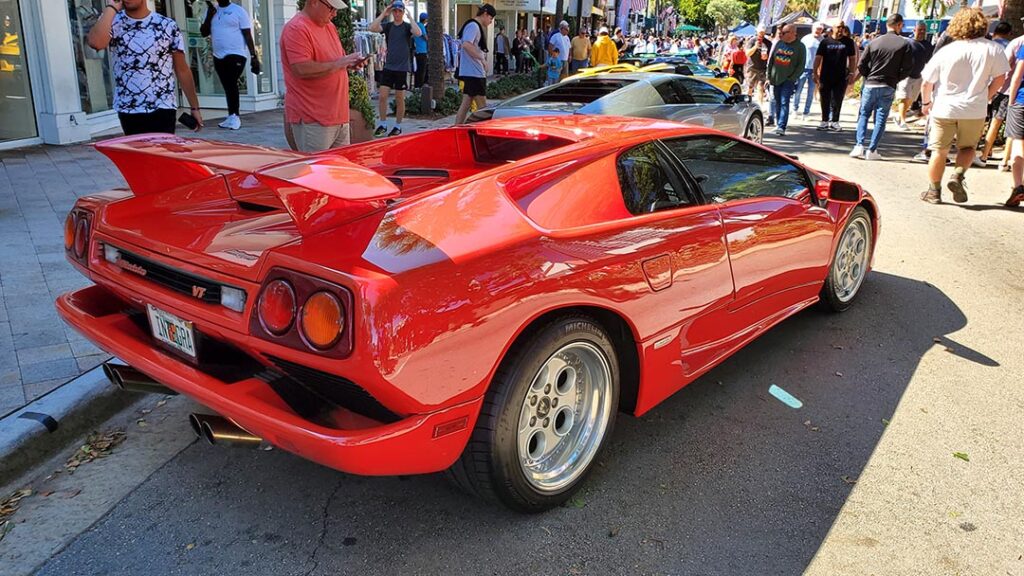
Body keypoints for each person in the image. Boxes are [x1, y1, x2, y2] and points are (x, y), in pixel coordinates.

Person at [919, 8, 1009, 203]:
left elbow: (927, 82)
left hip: (945, 106)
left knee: (939, 151)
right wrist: (987, 96)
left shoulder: (947, 50)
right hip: (974, 108)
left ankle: (934, 191)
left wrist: (926, 103)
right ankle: (957, 175)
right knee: (968, 147)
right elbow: (1001, 78)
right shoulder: (993, 49)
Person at [86, 0, 203, 135]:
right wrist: (111, 8)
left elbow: (182, 69)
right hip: (129, 108)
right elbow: (95, 43)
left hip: (162, 106)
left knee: (160, 154)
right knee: (137, 155)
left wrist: (194, 107)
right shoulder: (114, 22)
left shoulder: (167, 25)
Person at [279, 0, 365, 151]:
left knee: (338, 171)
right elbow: (301, 68)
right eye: (331, 8)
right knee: (316, 171)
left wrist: (349, 63)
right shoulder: (297, 28)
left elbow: (334, 61)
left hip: (338, 116)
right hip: (313, 118)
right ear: (313, 2)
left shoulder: (329, 26)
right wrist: (339, 63)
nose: (335, 13)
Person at [849, 13, 912, 161]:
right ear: (899, 25)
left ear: (886, 24)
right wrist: (897, 78)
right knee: (881, 118)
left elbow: (861, 64)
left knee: (864, 114)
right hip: (888, 84)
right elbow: (908, 67)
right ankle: (872, 149)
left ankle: (859, 145)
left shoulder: (874, 42)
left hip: (871, 83)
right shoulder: (904, 44)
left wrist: (867, 76)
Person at [199, 0, 259, 131]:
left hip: (236, 53)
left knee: (231, 82)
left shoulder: (238, 11)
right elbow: (204, 32)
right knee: (227, 84)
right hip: (218, 55)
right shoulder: (211, 11)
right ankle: (231, 115)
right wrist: (209, 16)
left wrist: (254, 56)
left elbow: (247, 34)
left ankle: (235, 116)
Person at [369, 1, 421, 137]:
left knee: (399, 99)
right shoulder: (389, 26)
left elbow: (418, 32)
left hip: (402, 68)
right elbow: (372, 28)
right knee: (382, 97)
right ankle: (383, 124)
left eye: (399, 11)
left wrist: (410, 17)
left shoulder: (407, 26)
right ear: (392, 12)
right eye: (395, 11)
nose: (397, 13)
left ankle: (398, 126)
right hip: (389, 67)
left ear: (403, 12)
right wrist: (383, 14)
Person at [979, 21, 1015, 167]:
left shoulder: (989, 46)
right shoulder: (1011, 45)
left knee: (992, 120)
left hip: (994, 88)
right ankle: (1005, 159)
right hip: (1009, 89)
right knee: (1007, 124)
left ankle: (985, 153)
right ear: (1009, 33)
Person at [454, 3, 495, 125]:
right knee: (483, 107)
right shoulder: (473, 26)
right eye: (491, 18)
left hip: (471, 72)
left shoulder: (472, 25)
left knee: (466, 104)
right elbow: (466, 44)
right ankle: (485, 131)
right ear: (485, 14)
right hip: (475, 73)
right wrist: (482, 58)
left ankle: (457, 128)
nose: (491, 22)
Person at [814, 21, 856, 132]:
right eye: (838, 27)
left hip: (841, 76)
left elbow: (852, 58)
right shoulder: (825, 42)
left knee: (837, 99)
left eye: (842, 27)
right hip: (825, 75)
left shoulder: (848, 42)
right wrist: (815, 73)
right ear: (833, 27)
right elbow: (818, 58)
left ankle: (835, 121)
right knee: (825, 98)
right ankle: (824, 121)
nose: (841, 29)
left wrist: (852, 73)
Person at [766, 24, 805, 137]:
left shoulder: (800, 47)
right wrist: (769, 75)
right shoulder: (779, 43)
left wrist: (792, 78)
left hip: (788, 80)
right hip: (775, 78)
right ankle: (778, 124)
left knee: (784, 102)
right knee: (777, 101)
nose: (781, 35)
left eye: (784, 33)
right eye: (781, 33)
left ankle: (782, 126)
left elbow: (801, 65)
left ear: (793, 33)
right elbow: (772, 60)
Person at [894, 22, 933, 131]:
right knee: (904, 97)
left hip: (918, 76)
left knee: (911, 99)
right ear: (914, 30)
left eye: (924, 30)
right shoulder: (907, 43)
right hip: (905, 76)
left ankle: (899, 116)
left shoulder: (927, 45)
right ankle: (902, 121)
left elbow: (929, 61)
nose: (922, 32)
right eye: (920, 30)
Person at [1002, 29, 1024, 205]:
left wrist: (1011, 100)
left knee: (1018, 142)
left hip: (1022, 100)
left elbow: (1017, 75)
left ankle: (1018, 186)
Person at [793, 22, 824, 121]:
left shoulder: (823, 40)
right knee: (798, 90)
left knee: (810, 92)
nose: (818, 31)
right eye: (816, 28)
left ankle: (806, 112)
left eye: (820, 29)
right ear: (812, 28)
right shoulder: (806, 39)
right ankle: (795, 109)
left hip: (815, 69)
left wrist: (820, 70)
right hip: (804, 68)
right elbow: (799, 52)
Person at [744, 25, 772, 107]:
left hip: (762, 68)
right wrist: (755, 47)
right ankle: (747, 104)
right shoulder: (752, 41)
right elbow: (747, 53)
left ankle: (760, 106)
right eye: (760, 32)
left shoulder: (768, 42)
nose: (761, 34)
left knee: (761, 87)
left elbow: (770, 56)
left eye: (763, 32)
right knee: (750, 87)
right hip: (752, 67)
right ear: (757, 32)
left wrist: (766, 57)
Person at [413, 12, 428, 88]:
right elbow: (425, 37)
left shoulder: (417, 25)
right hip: (422, 51)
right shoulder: (421, 26)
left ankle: (417, 85)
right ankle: (419, 85)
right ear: (425, 20)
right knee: (422, 70)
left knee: (418, 69)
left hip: (418, 50)